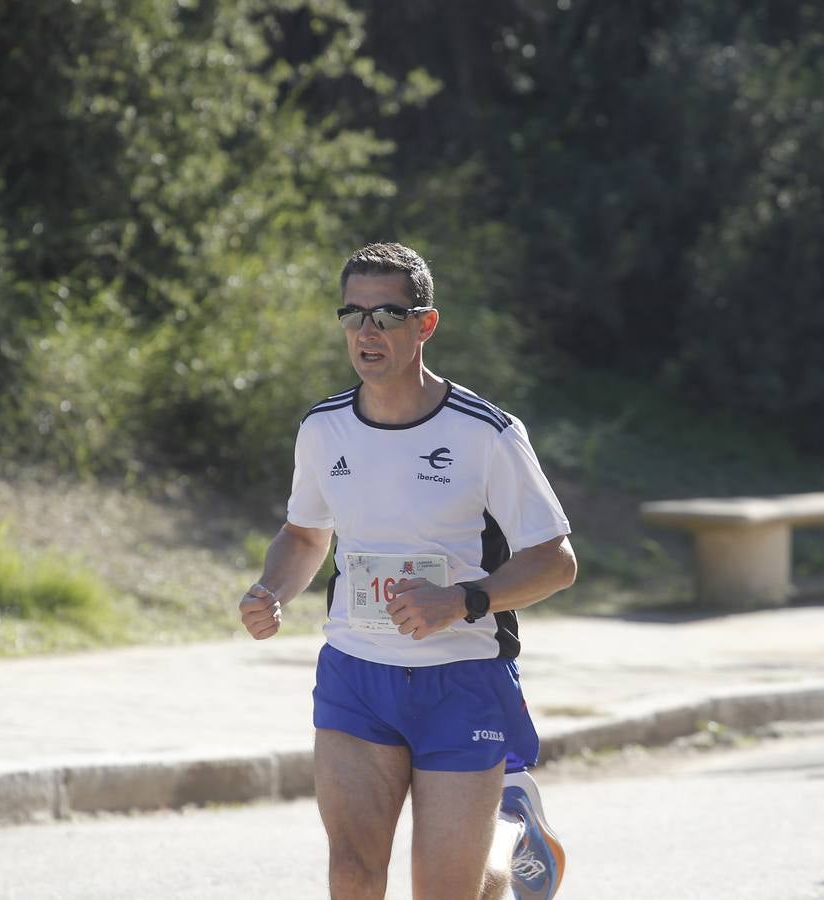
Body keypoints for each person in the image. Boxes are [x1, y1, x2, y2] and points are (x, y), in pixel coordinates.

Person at [239, 242, 576, 900]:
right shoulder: (324, 428)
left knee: (449, 890)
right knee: (352, 873)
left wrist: (462, 600)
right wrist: (271, 589)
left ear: (425, 324)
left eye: (387, 315)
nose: (367, 331)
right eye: (354, 315)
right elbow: (306, 533)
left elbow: (555, 563)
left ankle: (510, 827)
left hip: (462, 679)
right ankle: (495, 828)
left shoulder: (488, 434)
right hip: (356, 676)